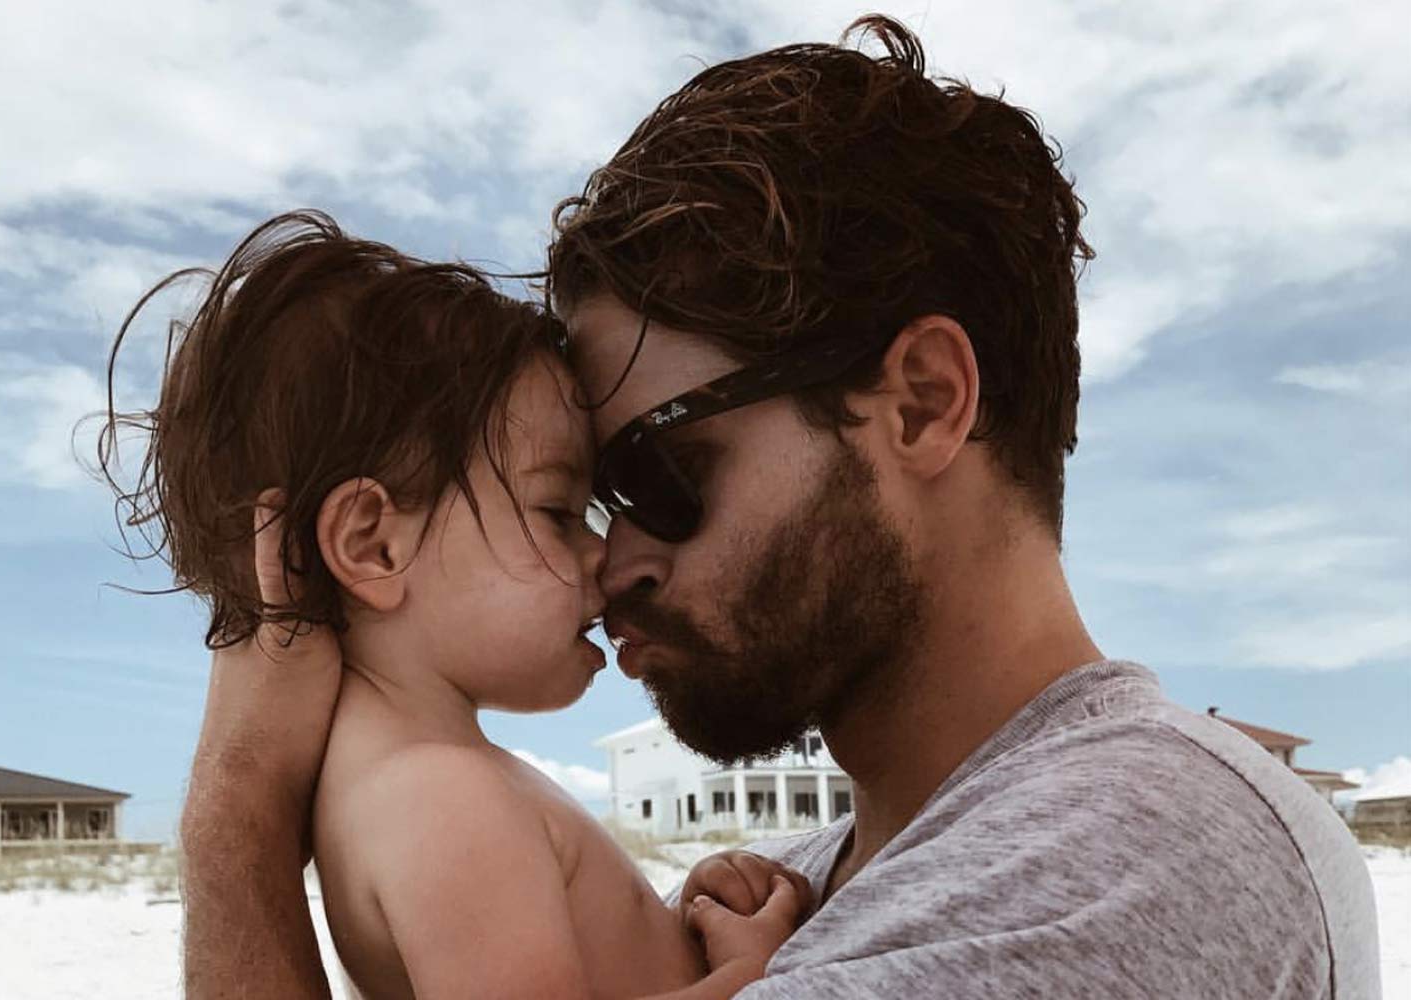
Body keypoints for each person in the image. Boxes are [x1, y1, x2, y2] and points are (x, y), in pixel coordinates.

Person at [176, 15, 1381, 1000]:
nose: (614, 559)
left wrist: (239, 812)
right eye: (579, 500)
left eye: (656, 471)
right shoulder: (811, 889)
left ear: (918, 403)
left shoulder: (1127, 859)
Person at [101, 212, 816, 999]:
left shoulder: (407, 790)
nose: (603, 555)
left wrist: (665, 923)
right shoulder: (445, 799)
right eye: (557, 512)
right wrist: (754, 972)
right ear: (373, 545)